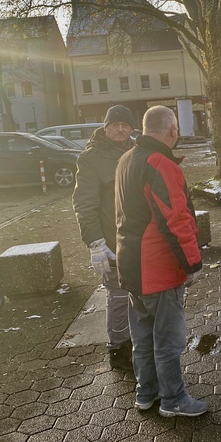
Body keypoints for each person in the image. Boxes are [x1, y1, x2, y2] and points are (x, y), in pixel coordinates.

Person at [115, 105, 207, 418]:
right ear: (172, 130)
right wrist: (192, 263)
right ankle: (174, 399)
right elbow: (176, 219)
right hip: (158, 268)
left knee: (142, 335)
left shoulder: (127, 158)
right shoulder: (161, 162)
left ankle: (147, 393)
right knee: (167, 338)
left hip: (131, 266)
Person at [73, 104, 135, 371]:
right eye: (114, 125)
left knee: (140, 295)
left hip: (140, 240)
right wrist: (95, 243)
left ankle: (139, 342)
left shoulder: (137, 150)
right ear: (105, 127)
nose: (120, 129)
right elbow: (84, 204)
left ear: (131, 128)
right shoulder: (90, 159)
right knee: (119, 297)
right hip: (112, 242)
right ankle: (119, 348)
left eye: (124, 125)